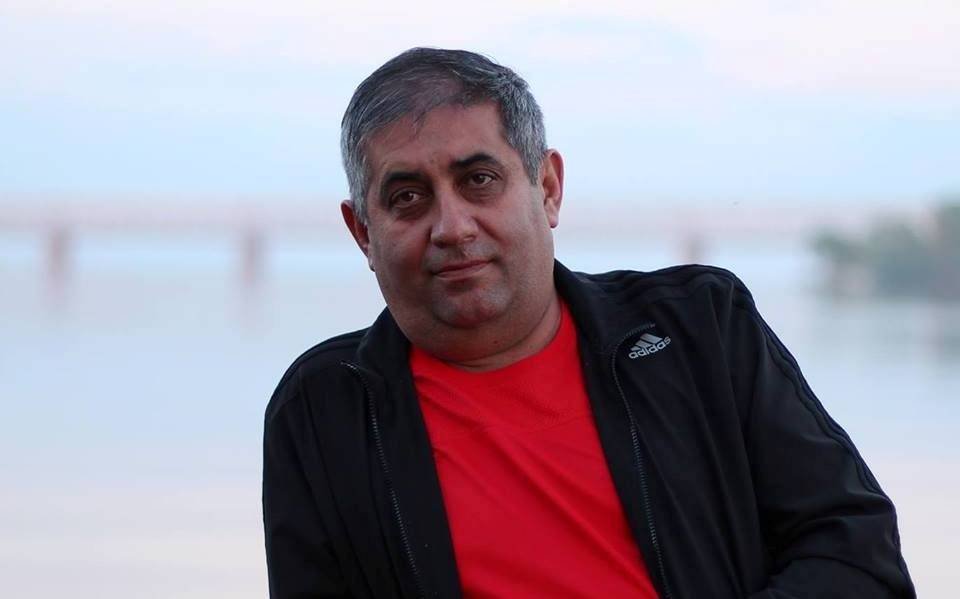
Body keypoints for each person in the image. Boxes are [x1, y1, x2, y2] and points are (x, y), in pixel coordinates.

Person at [262, 47, 915, 598]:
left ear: (547, 188)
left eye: (479, 180)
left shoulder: (698, 331)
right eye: (408, 197)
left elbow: (857, 554)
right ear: (363, 231)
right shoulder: (324, 410)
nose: (452, 227)